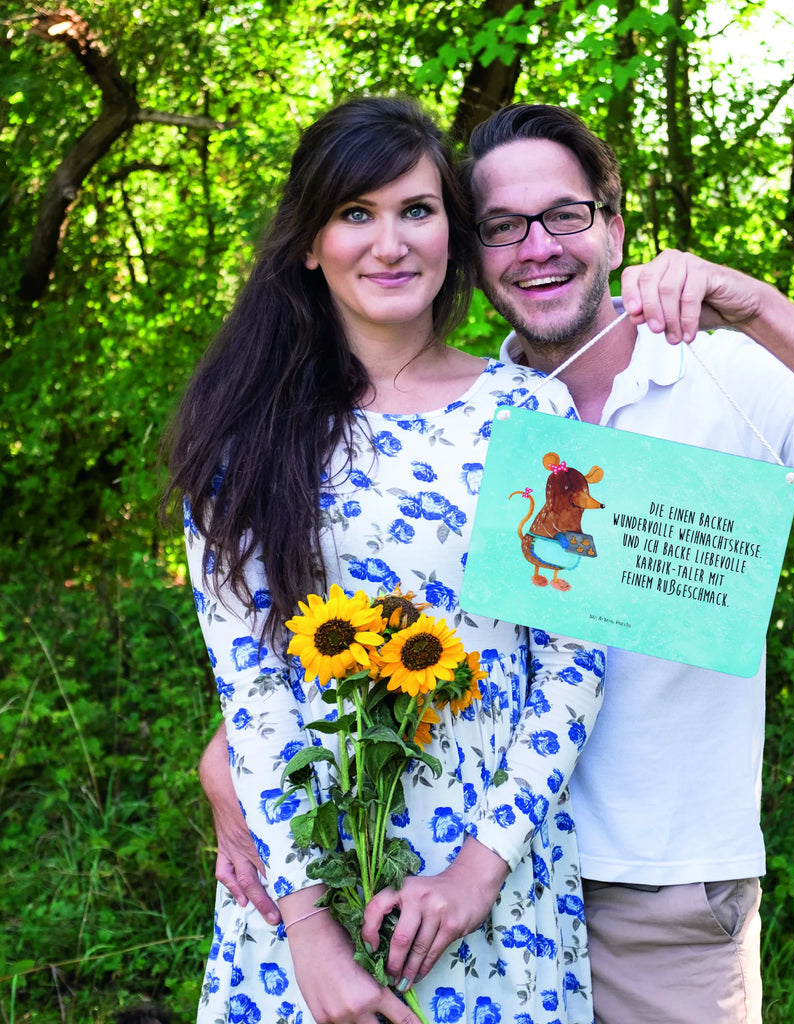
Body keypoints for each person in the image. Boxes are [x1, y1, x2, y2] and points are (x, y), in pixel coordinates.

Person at [202, 102, 794, 1024]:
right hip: (420, 876)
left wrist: (760, 306)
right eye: (502, 226)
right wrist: (236, 772)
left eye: (565, 215)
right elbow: (328, 634)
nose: (537, 247)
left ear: (612, 226)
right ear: (474, 251)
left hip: (652, 887)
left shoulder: (705, 375)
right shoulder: (458, 418)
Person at [165, 97, 609, 1024]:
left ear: (452, 229)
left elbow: (573, 663)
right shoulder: (243, 437)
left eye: (416, 210)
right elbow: (252, 692)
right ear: (309, 243)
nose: (390, 242)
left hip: (491, 888)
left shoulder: (529, 416)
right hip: (303, 887)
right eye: (355, 214)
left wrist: (478, 872)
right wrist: (312, 937)